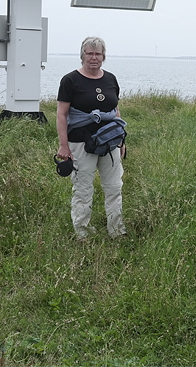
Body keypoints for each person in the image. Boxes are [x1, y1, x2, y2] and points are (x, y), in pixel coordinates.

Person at [56, 36, 127, 241]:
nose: (93, 57)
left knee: (114, 187)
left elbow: (115, 111)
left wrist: (121, 140)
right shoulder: (70, 80)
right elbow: (62, 114)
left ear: (103, 56)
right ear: (82, 56)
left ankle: (116, 230)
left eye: (97, 53)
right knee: (83, 189)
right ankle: (82, 233)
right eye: (89, 53)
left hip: (109, 143)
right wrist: (64, 145)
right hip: (80, 143)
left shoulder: (111, 79)